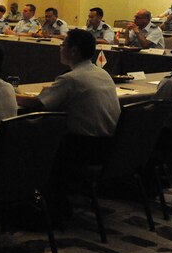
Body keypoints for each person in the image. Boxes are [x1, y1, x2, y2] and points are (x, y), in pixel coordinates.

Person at [17, 29, 121, 163]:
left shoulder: (71, 79)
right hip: (110, 146)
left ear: (74, 51)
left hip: (83, 148)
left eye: (63, 45)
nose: (60, 48)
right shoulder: (102, 73)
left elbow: (38, 103)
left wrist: (11, 95)